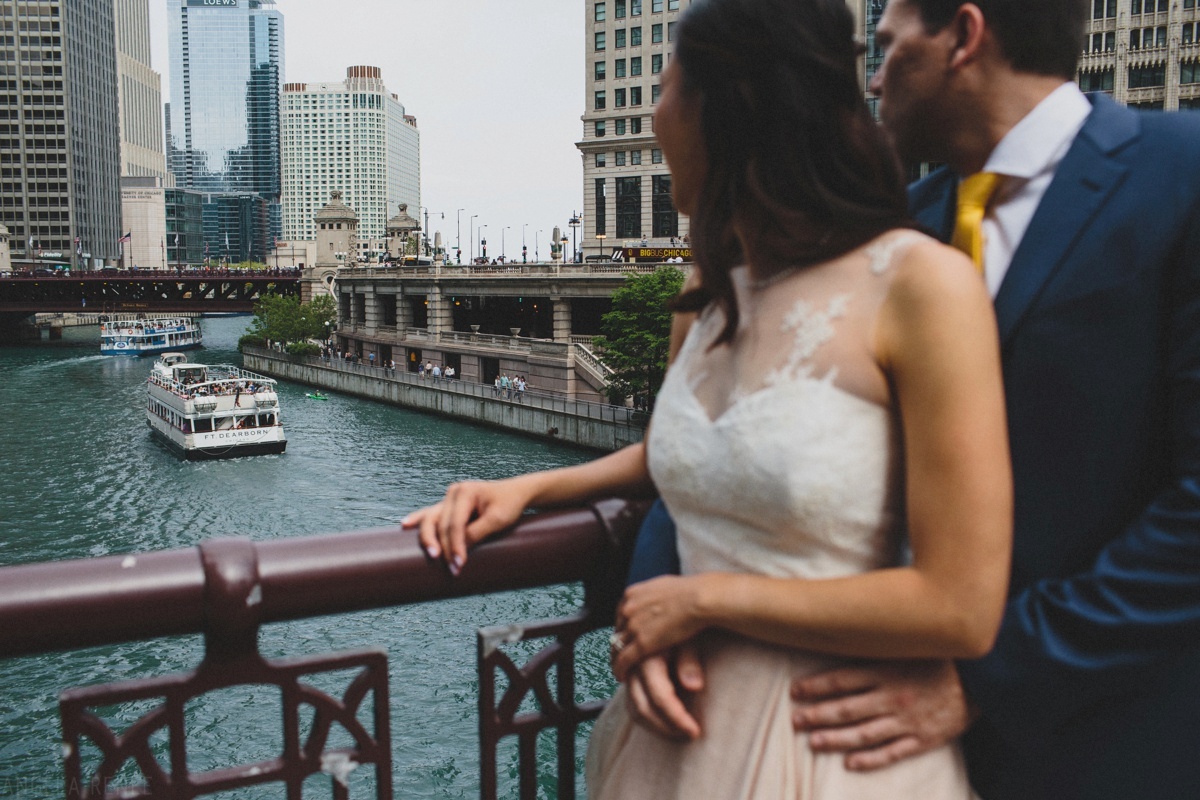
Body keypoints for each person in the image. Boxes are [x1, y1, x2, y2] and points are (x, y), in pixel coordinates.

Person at [404, 0, 1011, 796]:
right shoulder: (705, 289)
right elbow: (679, 452)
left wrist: (705, 602)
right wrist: (527, 488)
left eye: (665, 91)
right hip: (677, 738)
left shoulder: (922, 287)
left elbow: (960, 605)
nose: (653, 118)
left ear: (729, 110)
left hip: (830, 748)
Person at [631, 1, 1200, 798]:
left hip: (1109, 742)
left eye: (890, 47)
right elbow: (740, 444)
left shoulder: (1183, 173)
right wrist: (661, 612)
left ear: (962, 38)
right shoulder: (891, 232)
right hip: (843, 737)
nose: (871, 77)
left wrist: (989, 679)